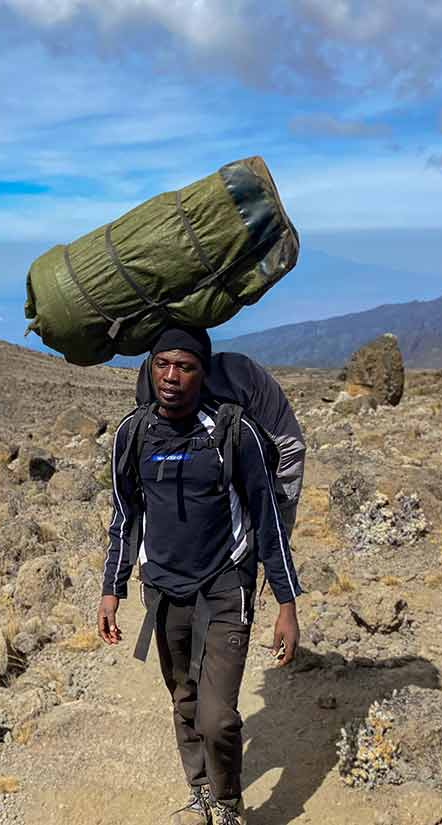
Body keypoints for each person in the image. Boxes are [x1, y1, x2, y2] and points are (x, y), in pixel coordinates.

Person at [97, 326, 302, 825]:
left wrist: (287, 603)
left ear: (203, 374)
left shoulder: (235, 432)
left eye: (185, 367)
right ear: (149, 369)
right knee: (184, 701)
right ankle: (202, 792)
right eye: (162, 364)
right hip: (164, 593)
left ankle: (228, 805)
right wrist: (111, 588)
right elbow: (125, 517)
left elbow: (267, 518)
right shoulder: (133, 434)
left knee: (218, 718)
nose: (172, 377)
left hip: (225, 586)